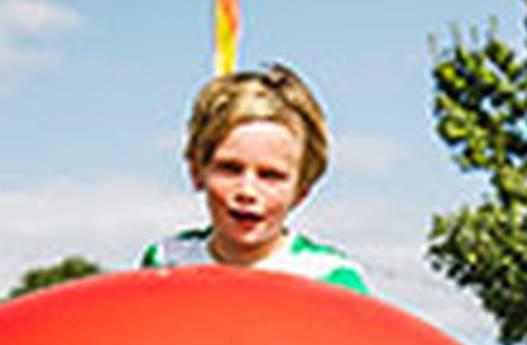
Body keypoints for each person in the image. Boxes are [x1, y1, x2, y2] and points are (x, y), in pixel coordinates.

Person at [141, 65, 369, 294]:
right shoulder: (166, 263)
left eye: (270, 176)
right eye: (230, 169)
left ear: (301, 191)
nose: (247, 192)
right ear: (197, 173)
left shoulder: (329, 278)